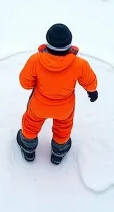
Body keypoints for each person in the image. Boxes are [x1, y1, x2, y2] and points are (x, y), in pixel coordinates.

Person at [16, 23, 98, 165]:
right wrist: (92, 91)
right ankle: (58, 152)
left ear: (47, 41)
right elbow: (90, 81)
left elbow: (25, 83)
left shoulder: (35, 60)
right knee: (63, 128)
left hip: (38, 105)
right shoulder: (80, 64)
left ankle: (28, 148)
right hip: (64, 109)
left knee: (31, 124)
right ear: (69, 43)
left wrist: (35, 83)